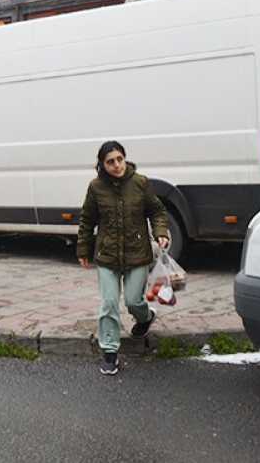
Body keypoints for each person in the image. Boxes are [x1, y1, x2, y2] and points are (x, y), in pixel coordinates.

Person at [77, 141, 170, 375]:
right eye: (110, 162)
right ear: (102, 165)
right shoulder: (96, 187)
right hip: (107, 256)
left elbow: (156, 211)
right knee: (109, 304)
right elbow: (87, 221)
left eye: (119, 159)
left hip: (137, 254)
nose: (116, 165)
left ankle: (145, 317)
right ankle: (109, 352)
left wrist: (160, 233)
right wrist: (83, 250)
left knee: (132, 300)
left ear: (125, 158)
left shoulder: (140, 183)